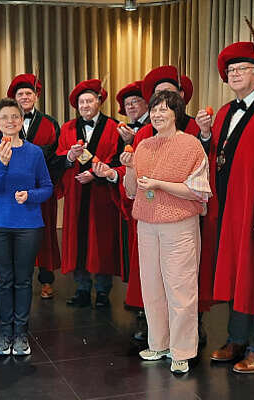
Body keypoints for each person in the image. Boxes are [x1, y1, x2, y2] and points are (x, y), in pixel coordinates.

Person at [196, 41, 254, 374]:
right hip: (227, 206)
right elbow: (217, 157)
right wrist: (206, 135)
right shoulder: (223, 112)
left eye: (240, 69)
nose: (233, 74)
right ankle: (236, 338)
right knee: (238, 272)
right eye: (230, 70)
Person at [120, 90, 211, 375]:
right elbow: (133, 191)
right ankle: (158, 343)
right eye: (155, 110)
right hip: (146, 224)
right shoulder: (143, 145)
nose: (158, 115)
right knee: (152, 286)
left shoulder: (191, 145)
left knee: (180, 288)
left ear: (176, 114)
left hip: (179, 225)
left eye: (165, 110)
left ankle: (183, 350)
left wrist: (161, 184)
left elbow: (199, 191)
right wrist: (129, 168)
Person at [0, 98, 53, 356]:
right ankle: (4, 333)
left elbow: (47, 187)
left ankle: (21, 334)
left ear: (21, 121)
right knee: (3, 280)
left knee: (23, 281)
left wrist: (30, 196)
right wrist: (2, 163)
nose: (10, 121)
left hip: (29, 225)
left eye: (15, 116)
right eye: (5, 117)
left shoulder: (34, 152)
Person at [56, 79, 123, 309]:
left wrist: (96, 175)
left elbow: (116, 159)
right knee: (78, 240)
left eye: (89, 100)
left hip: (101, 193)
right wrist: (69, 156)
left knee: (101, 241)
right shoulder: (67, 129)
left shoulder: (114, 127)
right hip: (76, 191)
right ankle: (82, 288)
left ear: (99, 101)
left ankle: (103, 291)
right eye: (81, 102)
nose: (85, 105)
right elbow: (59, 157)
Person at [7, 73, 63, 299]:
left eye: (28, 93)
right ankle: (20, 280)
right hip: (14, 190)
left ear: (36, 96)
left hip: (41, 188)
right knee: (17, 234)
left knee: (45, 233)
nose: (24, 97)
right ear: (14, 98)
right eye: (20, 94)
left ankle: (47, 280)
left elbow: (57, 154)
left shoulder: (50, 123)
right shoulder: (7, 121)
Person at [114, 80, 149, 341]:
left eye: (135, 102)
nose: (131, 107)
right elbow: (123, 164)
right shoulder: (127, 131)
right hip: (134, 199)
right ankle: (142, 312)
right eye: (127, 105)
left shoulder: (150, 130)